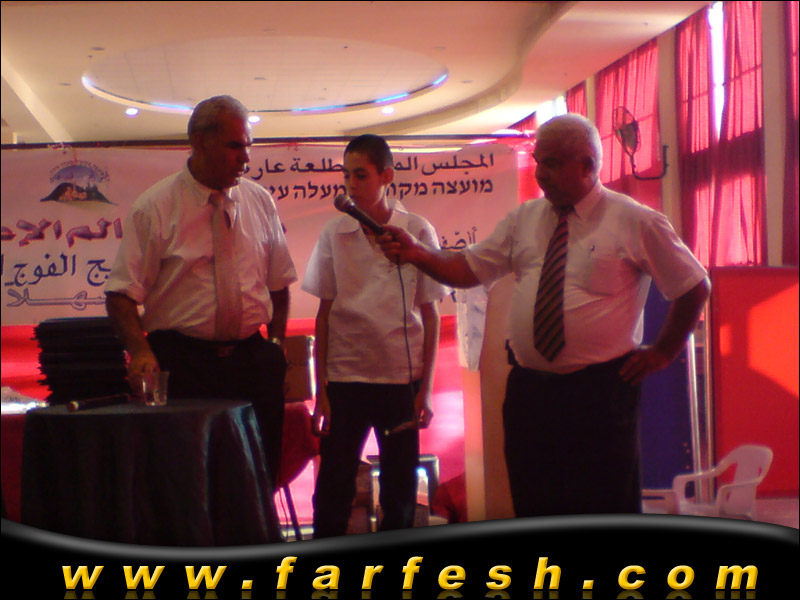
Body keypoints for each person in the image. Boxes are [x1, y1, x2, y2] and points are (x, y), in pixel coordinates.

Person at [379, 114, 710, 517]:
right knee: (534, 505)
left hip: (599, 394)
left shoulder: (634, 220)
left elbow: (693, 286)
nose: (539, 174)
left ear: (587, 165)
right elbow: (467, 269)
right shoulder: (525, 219)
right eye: (538, 162)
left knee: (604, 507)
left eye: (551, 163)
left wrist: (662, 352)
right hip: (530, 393)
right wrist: (417, 253)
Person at [105, 95, 297, 487]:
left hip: (252, 362)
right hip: (183, 363)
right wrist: (140, 352)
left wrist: (276, 344)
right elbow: (121, 295)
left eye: (248, 146)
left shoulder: (260, 201)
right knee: (187, 480)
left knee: (258, 475)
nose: (246, 158)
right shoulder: (155, 207)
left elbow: (279, 285)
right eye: (235, 145)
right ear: (199, 142)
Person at [302, 134, 448, 537]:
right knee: (333, 488)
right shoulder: (335, 232)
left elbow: (430, 314)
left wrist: (426, 390)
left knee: (400, 492)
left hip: (400, 379)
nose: (351, 184)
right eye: (346, 175)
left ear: (387, 176)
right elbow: (324, 313)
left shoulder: (415, 229)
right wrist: (322, 391)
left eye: (361, 175)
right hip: (345, 378)